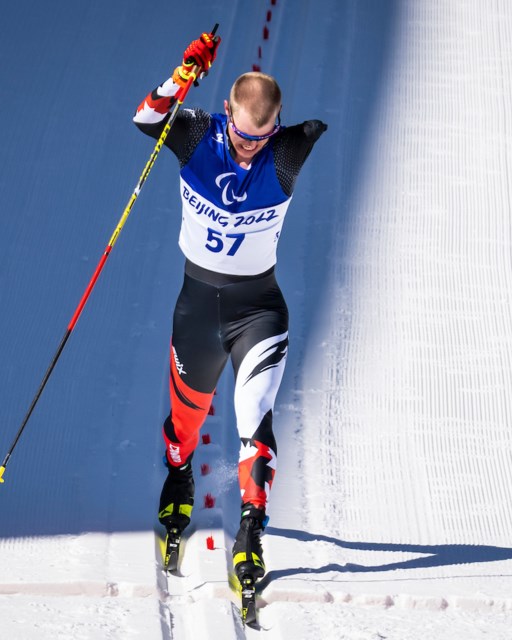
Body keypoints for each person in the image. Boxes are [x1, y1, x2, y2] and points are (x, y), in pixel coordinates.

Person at [133, 33, 327, 582]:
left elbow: (311, 131)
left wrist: (282, 135)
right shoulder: (197, 135)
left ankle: (251, 531)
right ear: (226, 114)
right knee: (184, 426)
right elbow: (147, 121)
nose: (249, 145)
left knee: (253, 425)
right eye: (242, 133)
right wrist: (179, 77)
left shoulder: (286, 151)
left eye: (261, 136)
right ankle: (179, 479)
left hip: (258, 309)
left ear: (277, 125)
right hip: (197, 308)